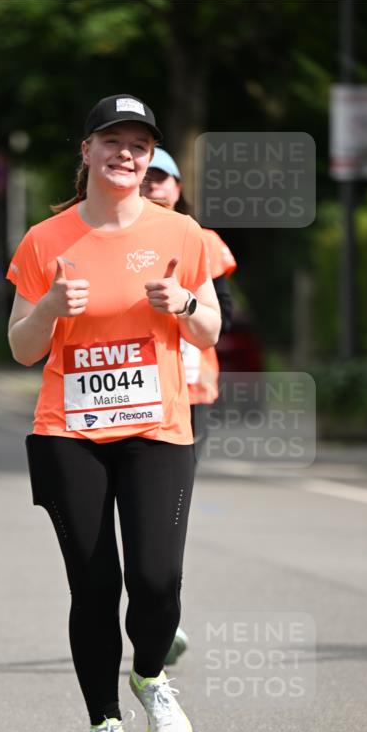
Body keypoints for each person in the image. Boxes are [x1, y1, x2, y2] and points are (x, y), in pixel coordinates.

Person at [7, 95, 221, 732]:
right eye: (111, 141)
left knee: (157, 579)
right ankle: (103, 723)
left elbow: (209, 328)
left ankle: (150, 677)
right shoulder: (47, 240)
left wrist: (183, 304)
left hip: (157, 427)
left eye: (137, 143)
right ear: (86, 152)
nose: (124, 153)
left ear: (149, 155)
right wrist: (46, 308)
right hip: (70, 430)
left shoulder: (180, 235)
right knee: (95, 585)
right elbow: (19, 347)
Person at [142, 147, 237, 666]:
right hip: (130, 386)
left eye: (164, 179)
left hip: (191, 387)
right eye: (148, 179)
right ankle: (153, 611)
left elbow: (227, 309)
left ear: (178, 188)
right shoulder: (119, 236)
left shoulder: (202, 240)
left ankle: (161, 613)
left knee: (166, 505)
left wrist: (184, 302)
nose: (154, 186)